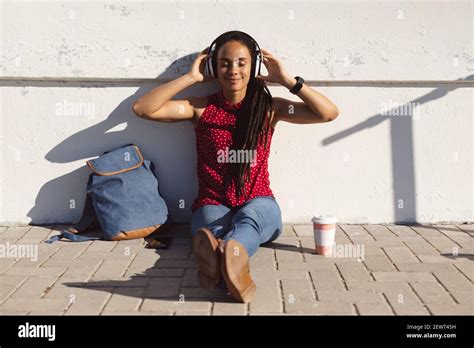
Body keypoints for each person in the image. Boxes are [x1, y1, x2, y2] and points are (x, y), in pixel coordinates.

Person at [132, 31, 340, 303]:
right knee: (212, 229)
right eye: (224, 63)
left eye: (242, 62)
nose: (233, 70)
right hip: (213, 203)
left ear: (253, 66)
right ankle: (232, 264)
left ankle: (227, 256)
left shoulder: (269, 108)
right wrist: (191, 78)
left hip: (259, 200)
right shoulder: (200, 108)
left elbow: (328, 113)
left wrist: (287, 80)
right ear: (213, 68)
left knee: (249, 222)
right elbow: (143, 108)